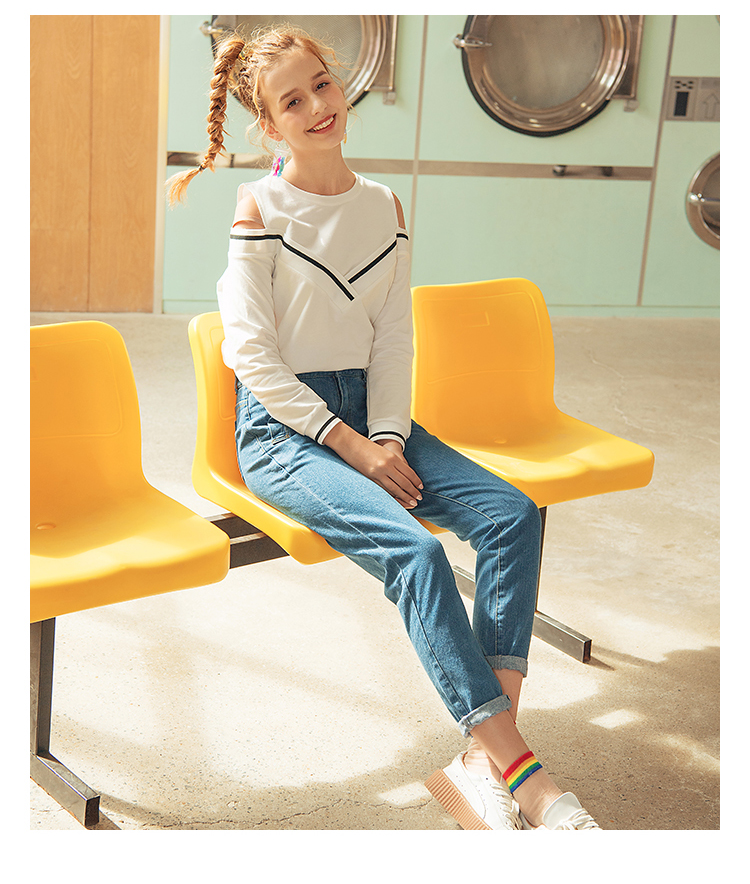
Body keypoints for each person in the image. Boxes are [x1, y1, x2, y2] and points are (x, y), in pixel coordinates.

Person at [167, 24, 600, 831]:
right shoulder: (260, 207)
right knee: (418, 552)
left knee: (509, 514)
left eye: (321, 85)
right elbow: (251, 357)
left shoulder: (384, 206)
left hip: (376, 416)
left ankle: (485, 762)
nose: (317, 107)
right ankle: (528, 780)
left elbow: (393, 339)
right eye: (292, 102)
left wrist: (390, 437)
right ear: (270, 126)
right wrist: (350, 444)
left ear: (340, 85)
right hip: (285, 435)